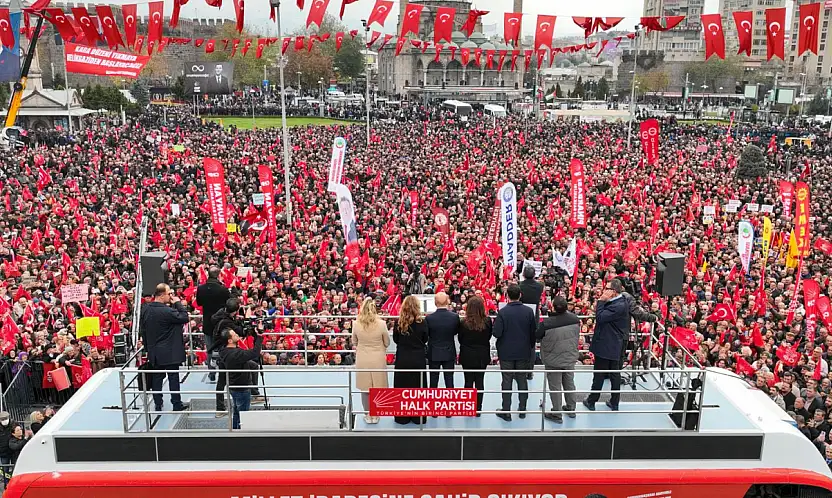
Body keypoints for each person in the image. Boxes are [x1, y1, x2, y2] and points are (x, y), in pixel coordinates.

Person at [140, 283, 190, 412]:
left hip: (155, 352)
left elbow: (143, 330)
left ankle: (158, 403)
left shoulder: (145, 309)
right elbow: (184, 317)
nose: (171, 296)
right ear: (162, 295)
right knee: (173, 378)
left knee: (157, 378)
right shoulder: (167, 311)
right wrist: (178, 304)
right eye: (169, 294)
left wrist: (147, 348)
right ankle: (176, 404)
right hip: (170, 352)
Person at [583, 279, 630, 412]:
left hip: (607, 345)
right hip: (613, 345)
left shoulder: (618, 305)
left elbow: (600, 317)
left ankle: (592, 401)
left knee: (600, 374)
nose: (604, 291)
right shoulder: (620, 302)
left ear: (614, 292)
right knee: (614, 374)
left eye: (607, 289)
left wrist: (601, 301)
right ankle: (614, 403)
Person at [492, 284, 537, 421]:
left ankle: (506, 411)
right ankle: (522, 409)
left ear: (507, 296)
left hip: (506, 353)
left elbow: (496, 333)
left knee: (507, 380)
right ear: (520, 295)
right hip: (523, 352)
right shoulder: (529, 311)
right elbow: (533, 333)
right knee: (522, 380)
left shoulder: (503, 312)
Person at [536, 296, 580, 423]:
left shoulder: (547, 324)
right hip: (569, 357)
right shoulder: (575, 319)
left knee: (555, 387)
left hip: (553, 360)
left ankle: (557, 413)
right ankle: (571, 408)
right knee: (569, 382)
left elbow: (537, 337)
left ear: (553, 307)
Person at [352, 298, 390, 425]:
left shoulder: (356, 324)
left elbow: (354, 342)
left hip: (363, 358)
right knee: (377, 387)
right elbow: (387, 342)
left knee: (365, 388)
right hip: (377, 358)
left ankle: (367, 414)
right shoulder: (382, 324)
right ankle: (375, 414)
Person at [218, 326, 263, 429]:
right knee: (242, 413)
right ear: (229, 340)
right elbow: (254, 353)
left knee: (237, 412)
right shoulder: (236, 353)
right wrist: (259, 337)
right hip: (241, 388)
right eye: (234, 334)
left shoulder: (224, 351)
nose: (237, 335)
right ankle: (240, 433)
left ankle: (235, 430)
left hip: (234, 386)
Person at [392, 295, 429, 425]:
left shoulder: (398, 322)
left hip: (403, 358)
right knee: (418, 387)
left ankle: (402, 417)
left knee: (402, 387)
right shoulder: (422, 322)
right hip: (418, 358)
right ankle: (418, 417)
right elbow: (425, 339)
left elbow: (396, 340)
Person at [458, 296, 492, 416]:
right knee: (479, 381)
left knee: (468, 381)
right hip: (482, 355)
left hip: (467, 355)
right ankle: (478, 409)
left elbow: (460, 339)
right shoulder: (487, 321)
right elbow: (488, 337)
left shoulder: (463, 323)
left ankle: (468, 408)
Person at [196, 266, 230, 381]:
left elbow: (199, 303)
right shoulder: (223, 289)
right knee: (223, 348)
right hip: (221, 324)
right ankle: (223, 372)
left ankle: (211, 373)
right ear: (219, 275)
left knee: (210, 349)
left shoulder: (201, 289)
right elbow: (228, 304)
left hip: (207, 324)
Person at [425, 292, 459, 389]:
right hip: (449, 351)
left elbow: (428, 334)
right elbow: (455, 332)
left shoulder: (429, 318)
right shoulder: (454, 317)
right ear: (448, 302)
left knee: (433, 382)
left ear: (435, 302)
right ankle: (450, 402)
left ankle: (432, 402)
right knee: (449, 382)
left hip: (434, 352)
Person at [520, 265, 544, 379]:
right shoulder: (540, 286)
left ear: (523, 274)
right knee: (531, 344)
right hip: (534, 316)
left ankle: (520, 371)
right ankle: (529, 371)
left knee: (519, 342)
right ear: (534, 274)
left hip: (522, 315)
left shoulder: (520, 286)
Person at [0, 412, 12, 484]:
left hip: (13, 451)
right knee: (5, 470)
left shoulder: (14, 424)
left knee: (15, 469)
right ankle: (6, 484)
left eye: (5, 419)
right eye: (2, 419)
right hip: (3, 452)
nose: (4, 421)